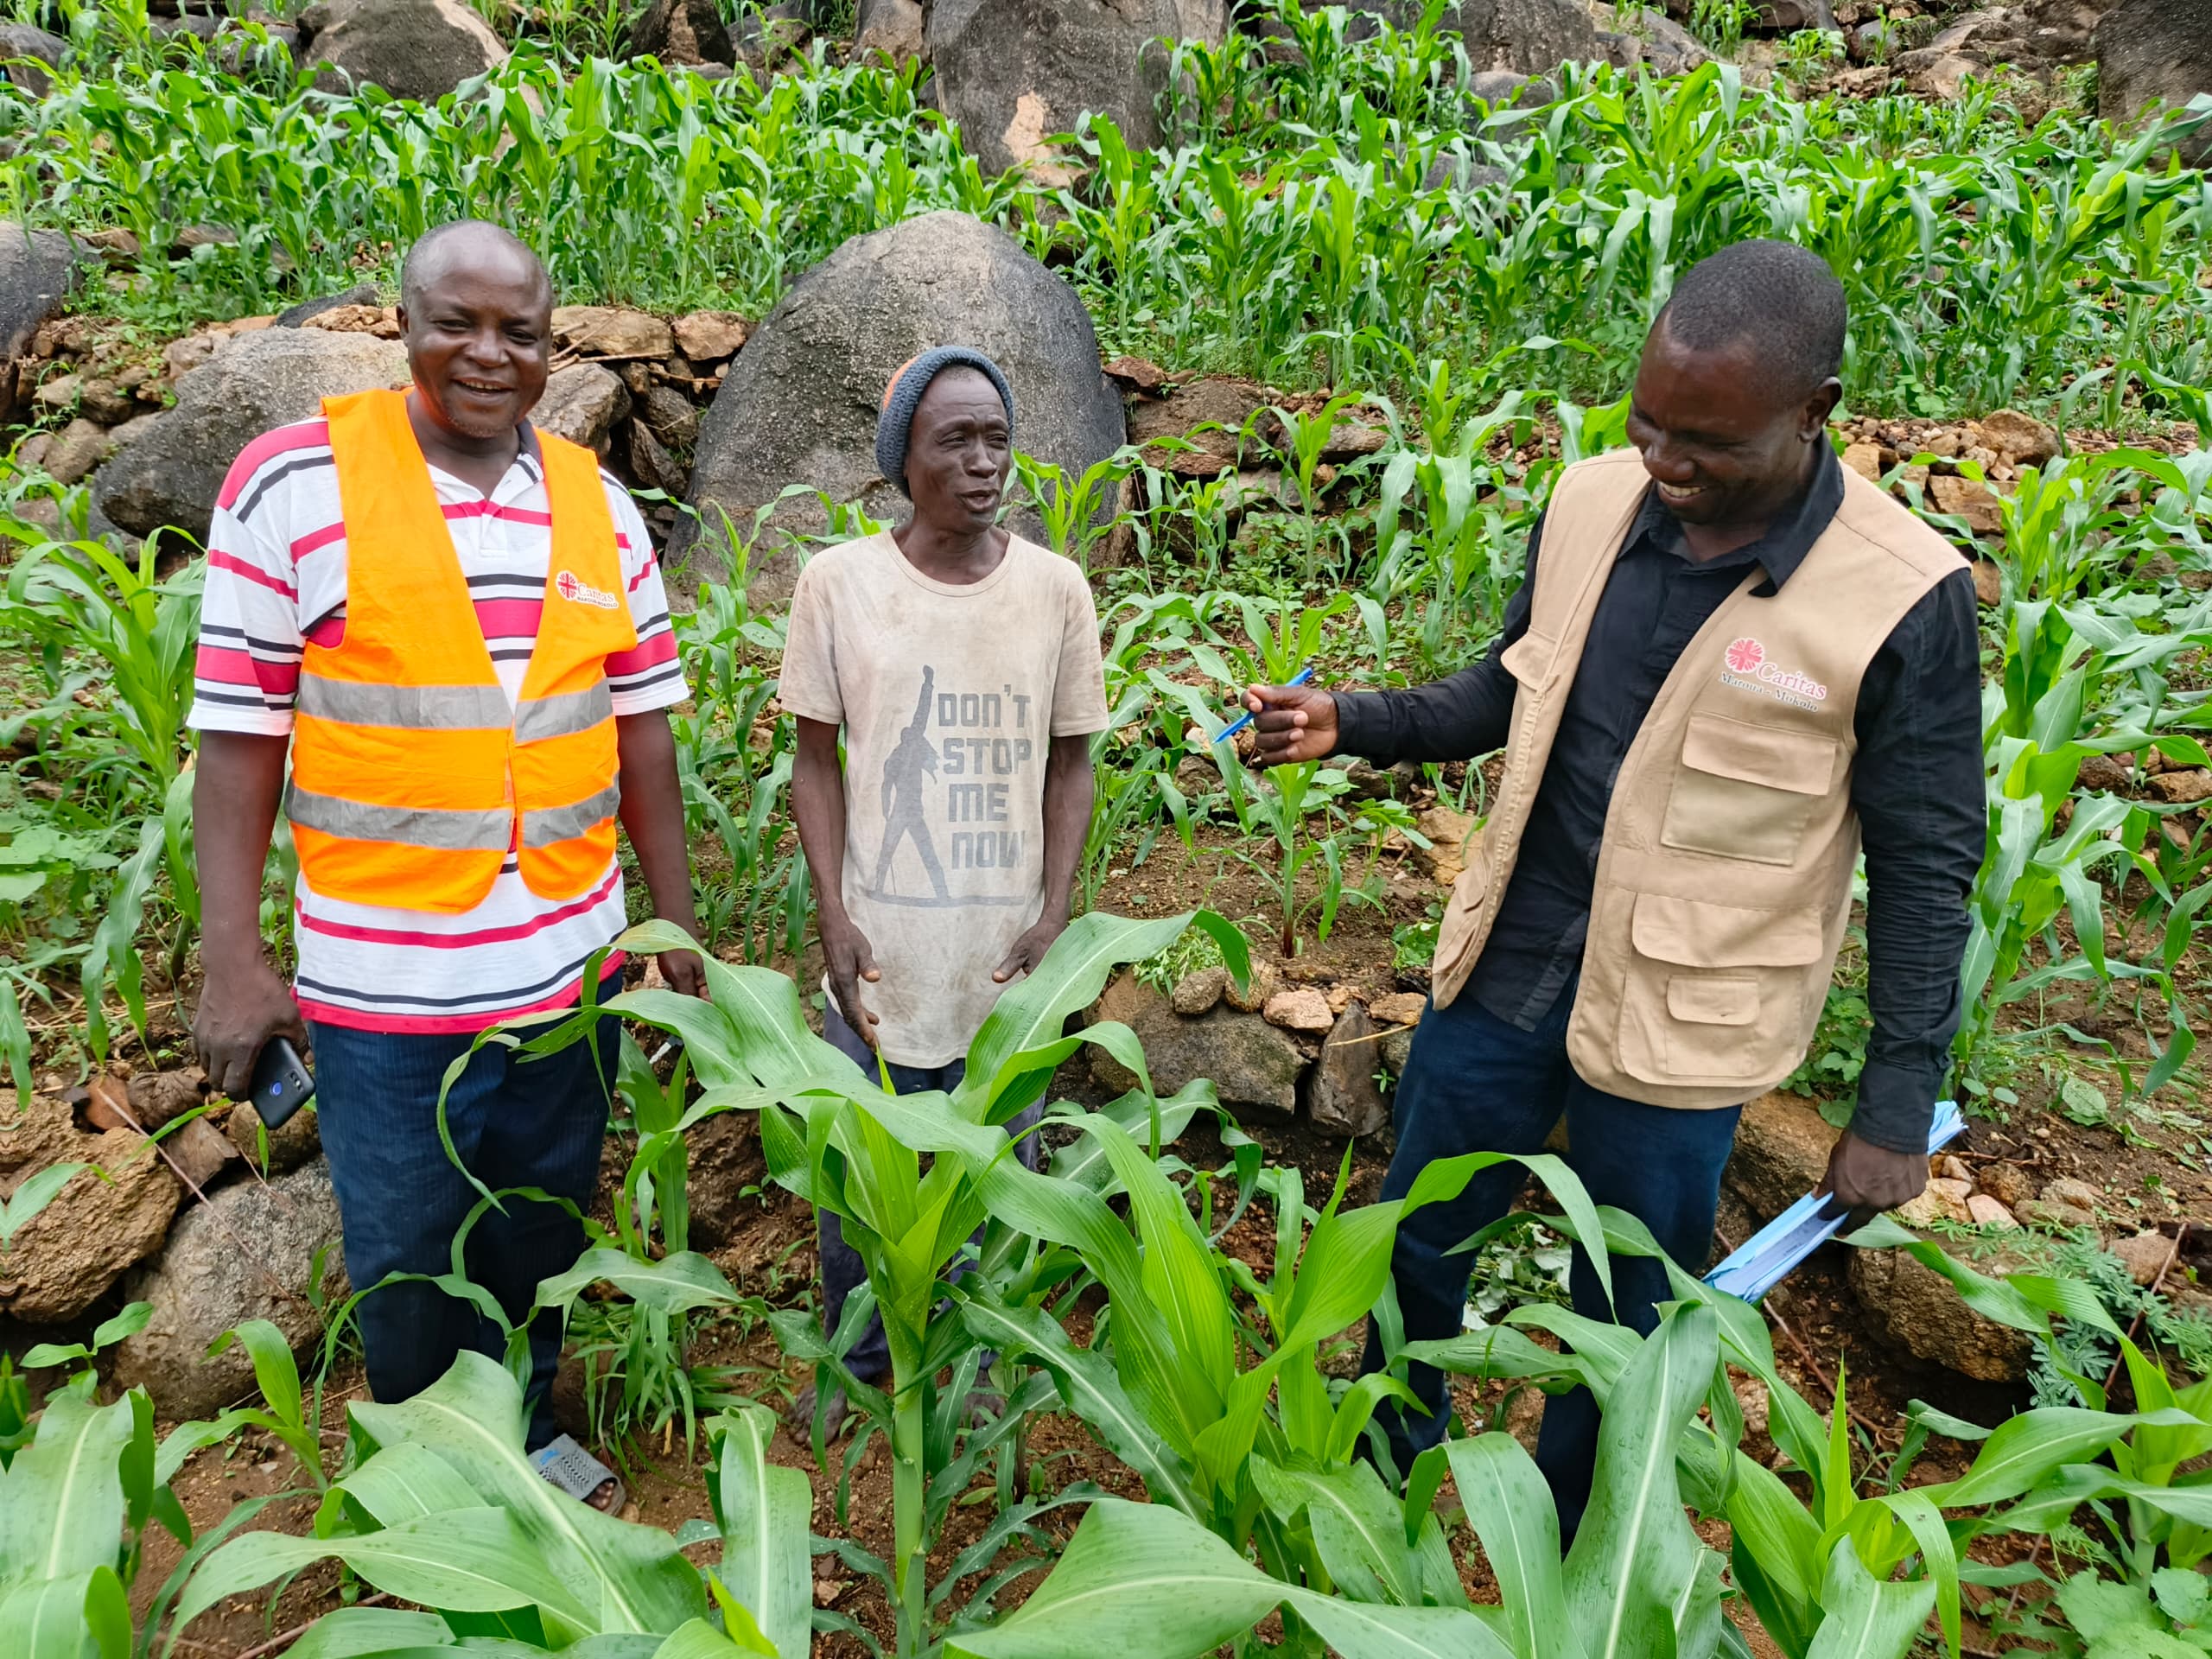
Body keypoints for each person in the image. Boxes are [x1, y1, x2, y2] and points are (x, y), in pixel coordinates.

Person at [1243, 240, 1983, 1536]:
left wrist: (1897, 1102)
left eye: (1709, 440)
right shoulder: (1590, 500)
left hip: (1686, 1021)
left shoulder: (1898, 593)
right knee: (1420, 1237)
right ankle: (1388, 1488)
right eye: (1649, 420)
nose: (1666, 462)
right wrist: (1351, 720)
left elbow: (1929, 861)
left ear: (1816, 412)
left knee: (1626, 1306)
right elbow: (1514, 685)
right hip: (1511, 960)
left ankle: (1576, 1538)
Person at [188, 220, 704, 1504]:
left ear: (550, 347)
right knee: (412, 1260)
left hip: (570, 977)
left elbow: (643, 745)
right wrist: (236, 959)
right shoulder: (290, 486)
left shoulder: (599, 507)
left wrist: (674, 936)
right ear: (400, 325)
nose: (487, 353)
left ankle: (528, 1446)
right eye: (454, 323)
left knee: (539, 1232)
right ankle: (432, 1500)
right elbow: (239, 743)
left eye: (517, 332)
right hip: (386, 995)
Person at [780, 346, 1108, 1423]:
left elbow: (1071, 760)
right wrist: (833, 911)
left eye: (996, 439)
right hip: (881, 952)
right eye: (953, 441)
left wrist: (1054, 912)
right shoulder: (839, 585)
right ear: (902, 462)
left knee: (991, 1178)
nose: (982, 463)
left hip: (999, 956)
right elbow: (814, 759)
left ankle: (971, 1372)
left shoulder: (1054, 591)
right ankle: (862, 1369)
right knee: (862, 1189)